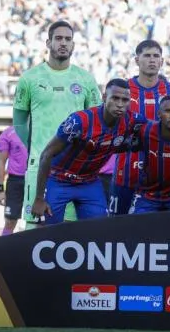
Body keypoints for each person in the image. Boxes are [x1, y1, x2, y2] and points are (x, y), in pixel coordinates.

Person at [12, 20, 101, 226]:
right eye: (58, 38)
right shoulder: (29, 78)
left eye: (68, 39)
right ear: (48, 42)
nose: (63, 43)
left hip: (74, 168)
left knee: (70, 230)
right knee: (34, 226)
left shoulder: (85, 79)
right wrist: (36, 151)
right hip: (39, 166)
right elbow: (19, 122)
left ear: (73, 45)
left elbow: (95, 121)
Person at [31, 80, 143, 225]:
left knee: (97, 231)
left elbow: (158, 128)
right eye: (115, 98)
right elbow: (46, 154)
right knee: (48, 231)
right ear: (104, 98)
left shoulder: (132, 120)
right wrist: (39, 198)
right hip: (59, 180)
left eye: (125, 100)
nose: (120, 104)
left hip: (89, 182)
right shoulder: (79, 121)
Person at [108, 39, 170, 216]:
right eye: (147, 55)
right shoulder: (123, 89)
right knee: (117, 229)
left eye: (156, 56)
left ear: (162, 61)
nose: (152, 60)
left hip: (162, 179)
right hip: (126, 173)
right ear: (136, 60)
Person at [0, 125, 28, 236]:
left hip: (35, 180)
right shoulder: (8, 133)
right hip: (15, 181)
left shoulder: (39, 129)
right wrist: (0, 189)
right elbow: (1, 162)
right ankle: (3, 249)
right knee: (10, 221)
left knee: (38, 220)